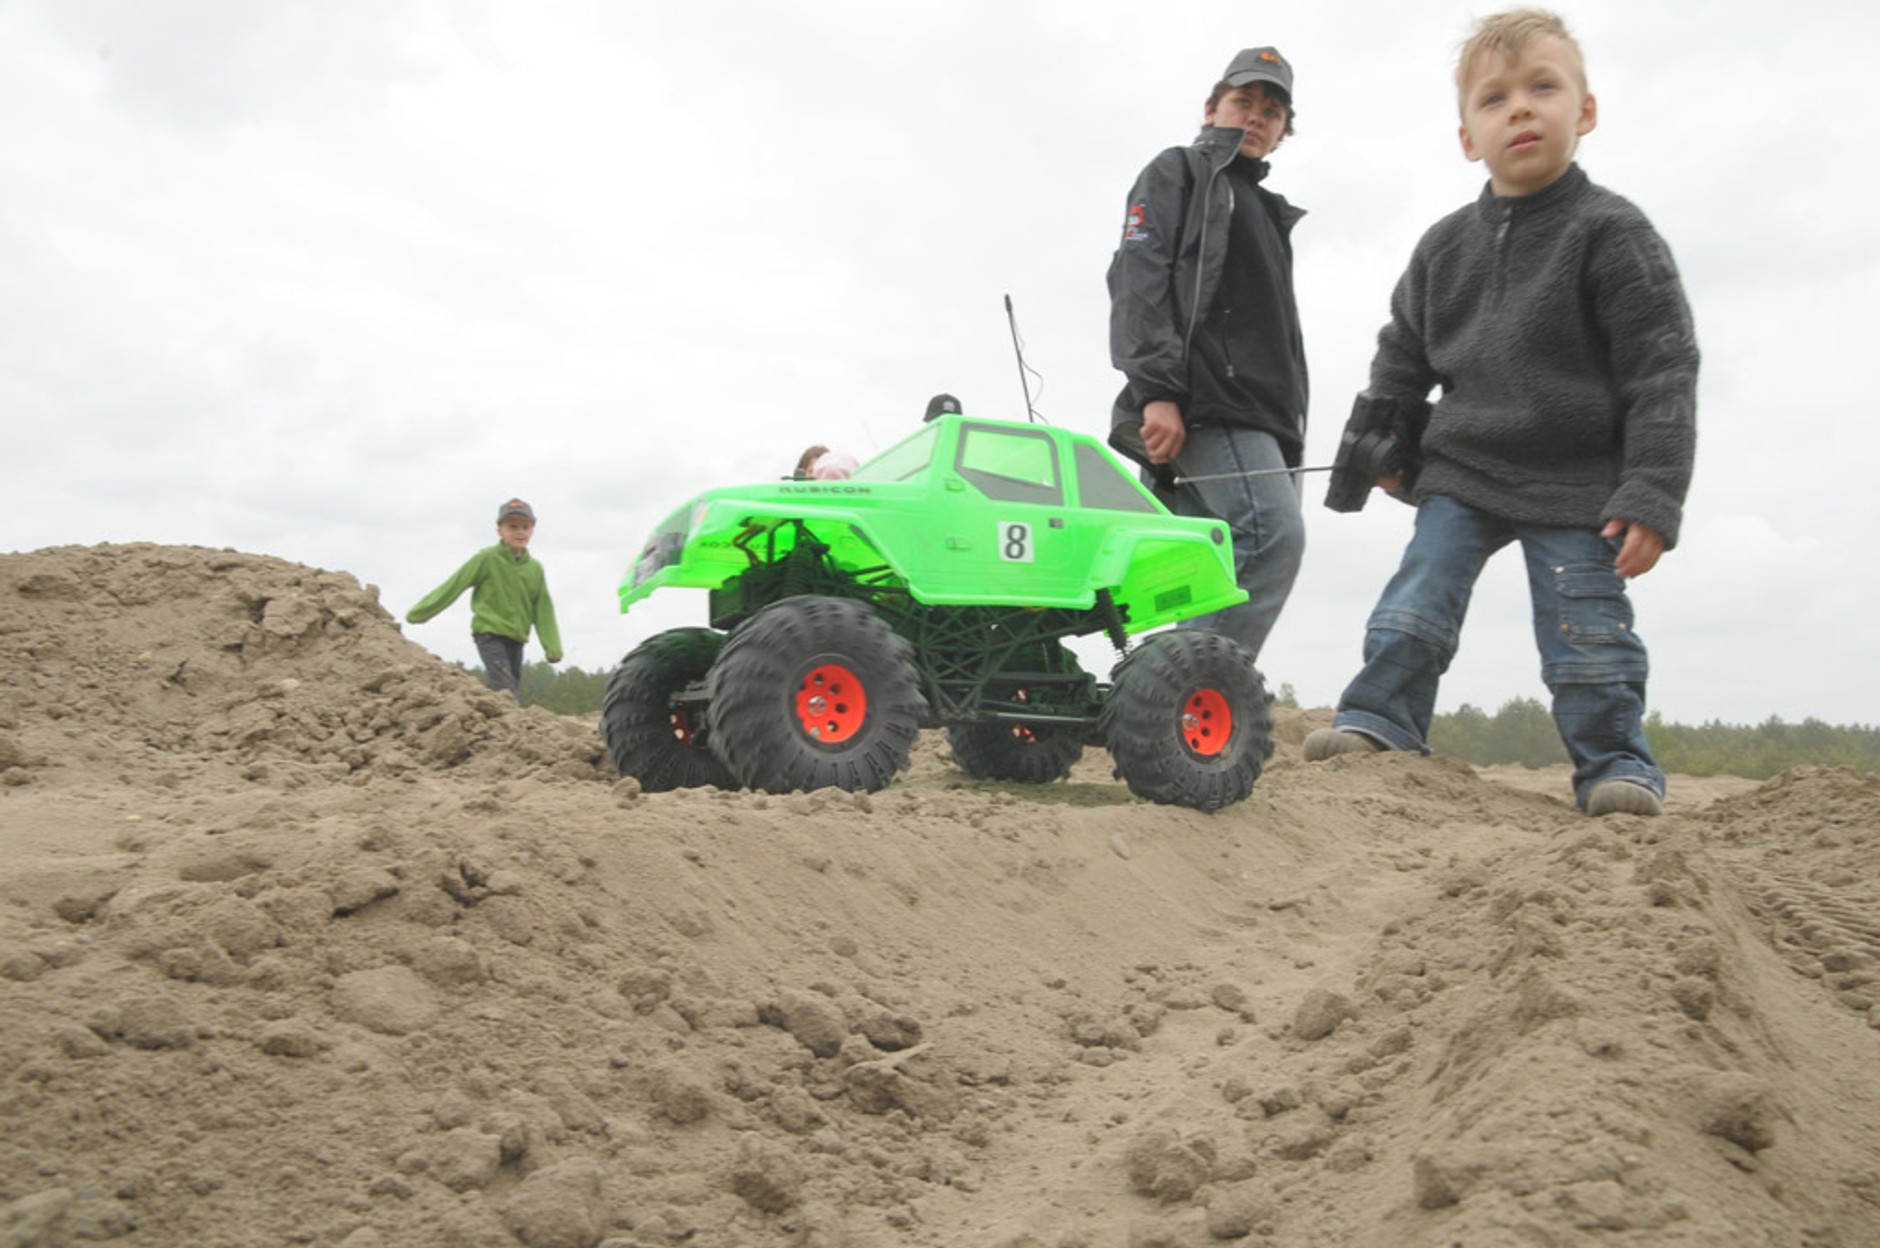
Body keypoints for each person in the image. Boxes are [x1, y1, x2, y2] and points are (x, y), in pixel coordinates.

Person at [1302, 9, 1699, 819]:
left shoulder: (1613, 235)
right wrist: (1386, 446)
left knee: (1588, 635)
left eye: (1542, 88)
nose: (1520, 108)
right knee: (1416, 600)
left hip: (1582, 482)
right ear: (1466, 137)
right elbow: (1401, 359)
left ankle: (1616, 764)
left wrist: (1651, 494)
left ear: (1583, 113)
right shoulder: (1442, 248)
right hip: (1465, 470)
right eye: (1495, 99)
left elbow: (1663, 368)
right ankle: (1380, 720)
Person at [1106, 46, 1309, 666]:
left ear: (1281, 132)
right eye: (1243, 101)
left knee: (1208, 573)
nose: (1255, 117)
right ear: (1212, 106)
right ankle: (1190, 692)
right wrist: (1157, 390)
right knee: (1272, 538)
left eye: (1271, 111)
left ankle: (1152, 717)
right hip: (1207, 404)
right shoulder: (1180, 173)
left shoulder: (1269, 212)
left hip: (1268, 417)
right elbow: (1139, 277)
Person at [407, 498, 563, 697]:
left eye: (525, 527)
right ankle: (503, 724)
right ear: (500, 530)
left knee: (510, 687)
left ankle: (491, 721)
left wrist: (552, 646)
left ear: (532, 530)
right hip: (490, 634)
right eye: (512, 526)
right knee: (504, 687)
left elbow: (543, 608)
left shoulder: (534, 568)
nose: (519, 532)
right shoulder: (487, 559)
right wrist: (421, 612)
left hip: (517, 638)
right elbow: (455, 584)